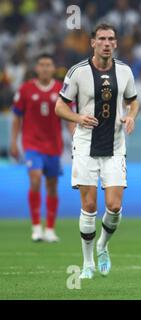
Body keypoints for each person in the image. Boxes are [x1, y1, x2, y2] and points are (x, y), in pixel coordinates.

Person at [55, 23, 139, 279]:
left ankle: (103, 245)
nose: (106, 42)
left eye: (110, 38)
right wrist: (78, 117)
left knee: (113, 207)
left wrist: (131, 116)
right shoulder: (78, 72)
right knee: (89, 206)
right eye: (101, 38)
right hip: (85, 146)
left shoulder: (124, 71)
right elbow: (60, 106)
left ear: (115, 43)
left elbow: (133, 101)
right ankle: (88, 262)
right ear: (92, 43)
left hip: (114, 147)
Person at [10, 53, 75, 243]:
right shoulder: (25, 90)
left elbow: (69, 116)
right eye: (42, 65)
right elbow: (16, 117)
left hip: (54, 146)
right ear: (36, 68)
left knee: (52, 185)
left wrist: (74, 136)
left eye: (48, 65)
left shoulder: (61, 90)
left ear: (53, 68)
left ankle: (50, 229)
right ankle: (36, 226)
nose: (45, 68)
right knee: (36, 178)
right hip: (31, 143)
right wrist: (14, 141)